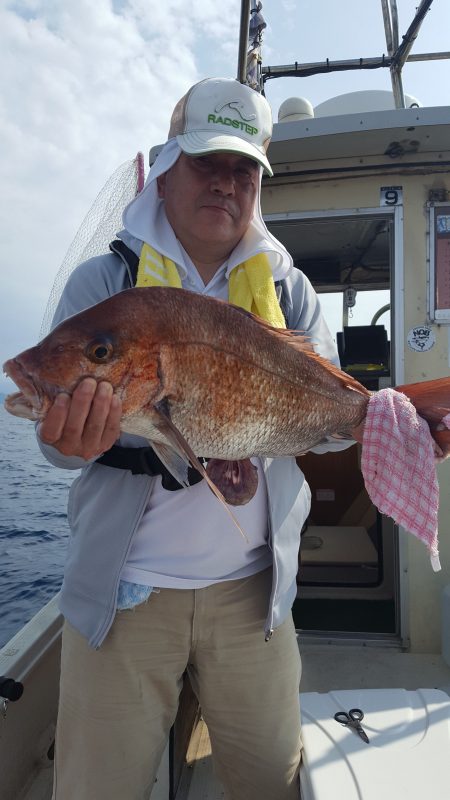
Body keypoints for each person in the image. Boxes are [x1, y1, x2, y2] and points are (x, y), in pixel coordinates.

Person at [38, 77, 353, 800]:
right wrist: (77, 440)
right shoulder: (106, 282)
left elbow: (329, 427)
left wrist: (383, 427)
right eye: (208, 160)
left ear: (259, 184)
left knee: (271, 782)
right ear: (170, 162)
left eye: (244, 168)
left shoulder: (290, 292)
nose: (226, 182)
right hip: (121, 600)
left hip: (252, 597)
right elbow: (55, 446)